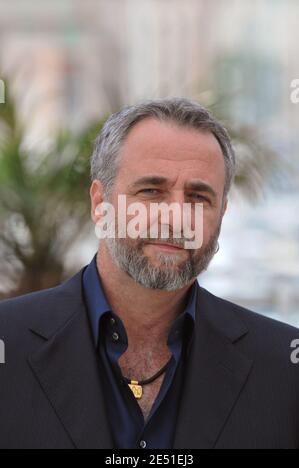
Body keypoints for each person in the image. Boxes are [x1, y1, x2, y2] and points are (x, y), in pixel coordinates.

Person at [0, 98, 298, 449]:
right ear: (100, 203)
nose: (175, 217)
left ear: (222, 213)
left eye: (199, 197)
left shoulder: (285, 368)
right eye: (152, 191)